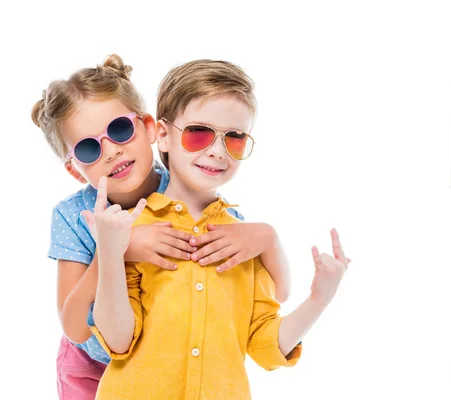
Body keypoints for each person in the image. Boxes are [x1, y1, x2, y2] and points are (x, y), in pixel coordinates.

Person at [31, 54, 293, 399]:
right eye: (89, 148)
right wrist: (118, 250)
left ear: (151, 128)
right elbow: (76, 328)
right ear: (73, 168)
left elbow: (263, 296)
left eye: (120, 129)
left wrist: (269, 239)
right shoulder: (73, 215)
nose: (111, 151)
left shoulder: (188, 190)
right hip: (89, 364)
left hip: (158, 363)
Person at [87, 59, 350, 399]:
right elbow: (118, 341)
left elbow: (264, 343)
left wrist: (319, 299)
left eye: (235, 138)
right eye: (199, 133)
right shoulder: (131, 229)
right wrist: (109, 254)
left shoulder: (244, 241)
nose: (217, 151)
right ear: (163, 136)